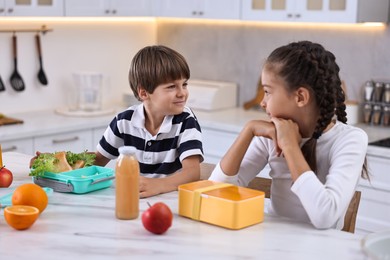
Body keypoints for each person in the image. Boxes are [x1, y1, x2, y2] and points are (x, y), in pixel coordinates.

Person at [209, 41, 368, 230]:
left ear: (300, 97)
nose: (262, 102)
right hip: (272, 244)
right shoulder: (269, 134)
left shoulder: (350, 140)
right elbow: (215, 191)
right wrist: (248, 130)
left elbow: (325, 217)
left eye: (267, 92)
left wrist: (290, 145)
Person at [95, 45, 204, 198]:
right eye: (172, 87)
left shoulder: (186, 121)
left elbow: (192, 174)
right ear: (144, 93)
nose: (182, 93)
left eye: (184, 84)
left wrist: (158, 185)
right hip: (135, 198)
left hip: (172, 200)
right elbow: (96, 161)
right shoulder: (124, 121)